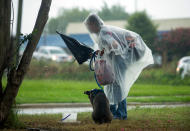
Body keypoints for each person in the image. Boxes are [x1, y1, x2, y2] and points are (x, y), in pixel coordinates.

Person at [84, 13, 154, 120]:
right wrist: (103, 51)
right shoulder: (104, 30)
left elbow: (115, 46)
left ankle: (121, 114)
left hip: (118, 63)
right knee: (112, 87)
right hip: (116, 63)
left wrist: (104, 51)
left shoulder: (103, 33)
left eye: (89, 25)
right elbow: (110, 47)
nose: (88, 28)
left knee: (118, 87)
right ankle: (113, 112)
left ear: (94, 24)